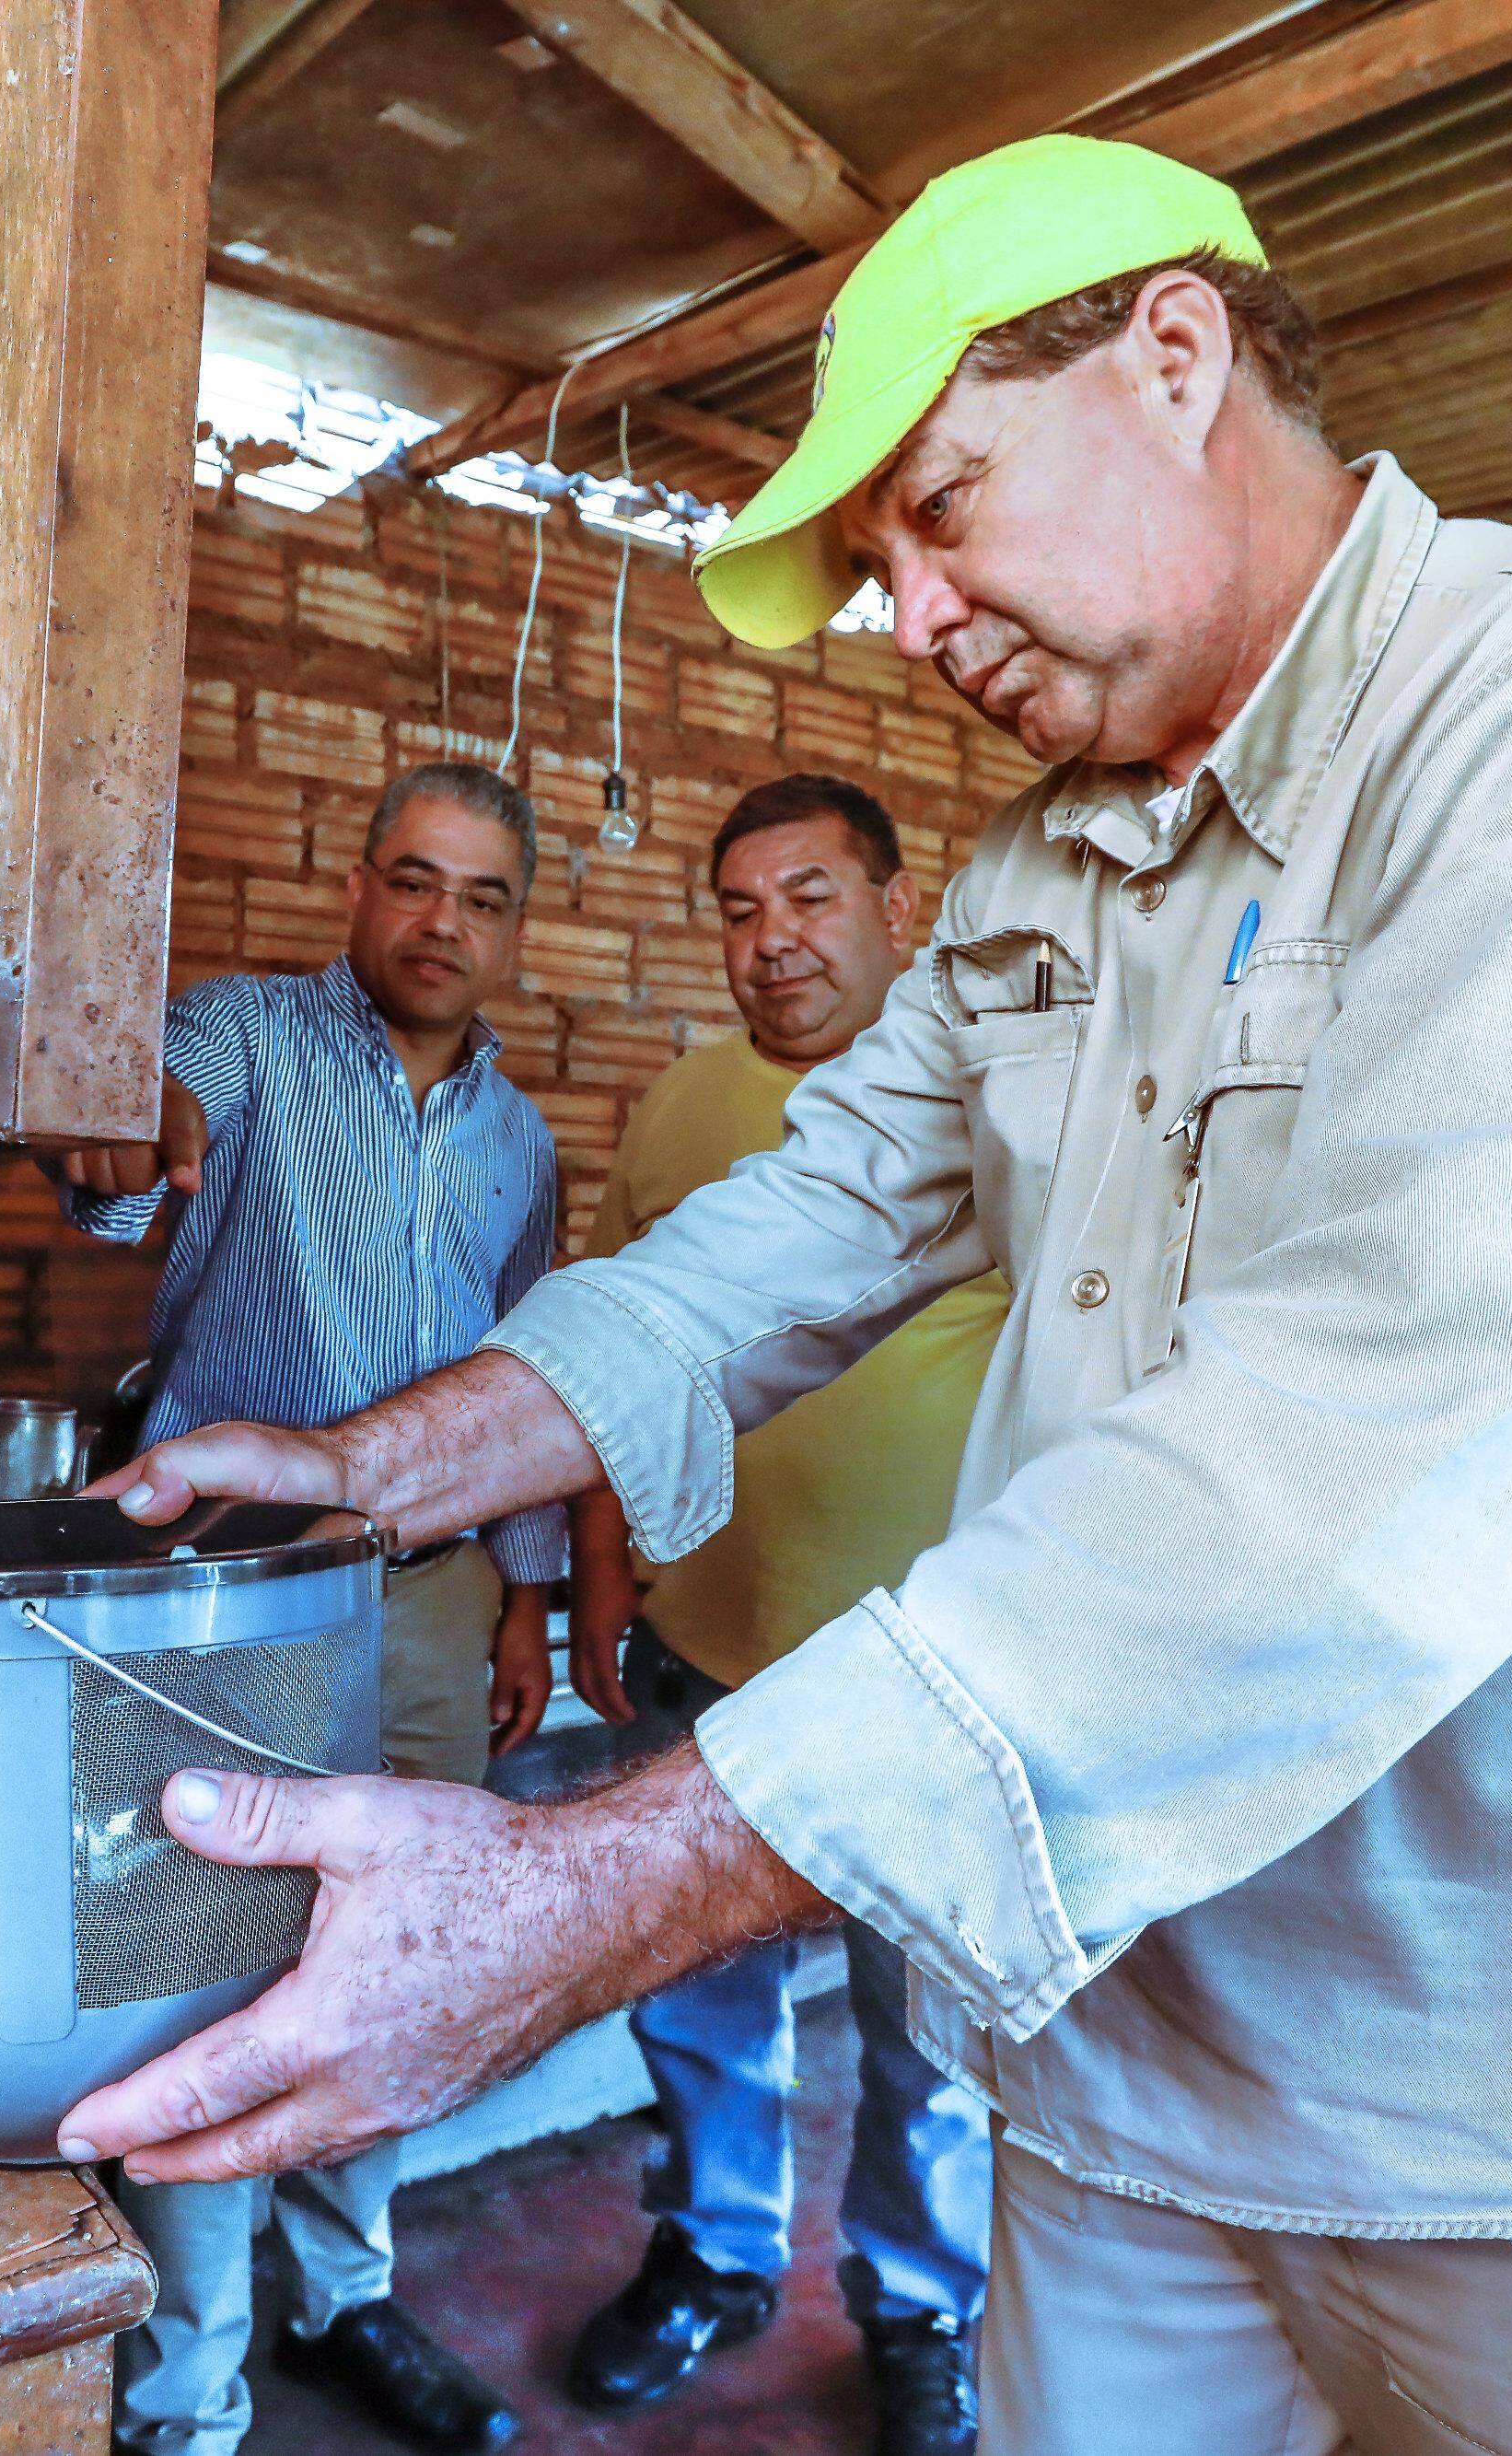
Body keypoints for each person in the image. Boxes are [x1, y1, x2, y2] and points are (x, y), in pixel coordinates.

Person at [62, 133, 1512, 2456]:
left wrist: (592, 1886)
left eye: (940, 509)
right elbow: (787, 1231)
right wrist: (370, 1463)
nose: (918, 617)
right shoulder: (1037, 870)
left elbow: (1392, 1415)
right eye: (879, 570)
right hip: (1126, 2044)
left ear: (1173, 356)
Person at [44, 759, 559, 2456]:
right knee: (209, 1967)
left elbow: (532, 1379)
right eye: (415, 879)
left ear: (514, 928)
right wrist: (130, 1127)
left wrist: (527, 1602)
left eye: (482, 895)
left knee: (398, 1945)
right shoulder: (243, 1039)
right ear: (359, 886)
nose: (443, 920)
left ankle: (346, 2294)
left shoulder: (521, 1139)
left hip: (431, 1599)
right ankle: (187, 2390)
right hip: (232, 1602)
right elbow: (137, 1139)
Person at [561, 773, 1000, 2454]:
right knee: (699, 1994)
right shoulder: (681, 1109)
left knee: (928, 2036)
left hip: (930, 1680)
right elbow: (610, 1356)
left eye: (811, 898)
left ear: (901, 908)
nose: (774, 942)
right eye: (741, 910)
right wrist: (603, 1570)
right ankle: (717, 2254)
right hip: (709, 1656)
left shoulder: (1002, 1108)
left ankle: (918, 2304)